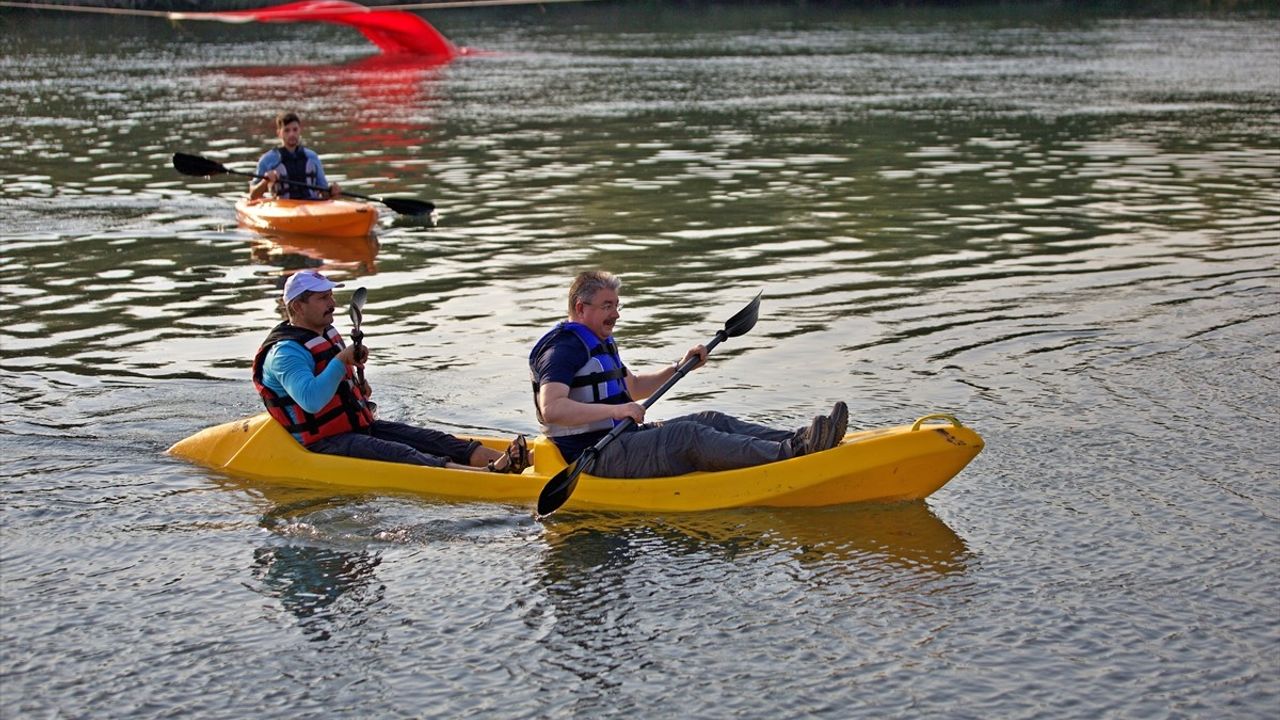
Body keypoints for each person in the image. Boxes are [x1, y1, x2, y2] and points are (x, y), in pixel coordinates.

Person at [528, 270, 848, 478]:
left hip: (622, 438)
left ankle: (801, 439)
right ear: (581, 309)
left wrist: (679, 367)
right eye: (607, 306)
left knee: (710, 420)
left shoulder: (599, 341)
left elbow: (634, 386)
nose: (616, 314)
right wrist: (618, 410)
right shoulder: (562, 350)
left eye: (616, 305)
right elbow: (552, 408)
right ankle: (792, 455)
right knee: (688, 437)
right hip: (593, 458)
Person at [252, 270, 530, 473]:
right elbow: (311, 400)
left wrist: (359, 387)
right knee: (402, 454)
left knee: (436, 440)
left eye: (331, 296)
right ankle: (489, 475)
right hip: (325, 443)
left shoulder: (325, 331)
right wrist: (342, 361)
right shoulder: (285, 353)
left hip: (358, 427)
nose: (332, 303)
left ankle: (524, 461)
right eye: (323, 298)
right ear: (297, 306)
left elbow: (339, 387)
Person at [248, 111, 341, 201]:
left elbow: (324, 193)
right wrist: (266, 181)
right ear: (279, 133)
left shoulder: (312, 157)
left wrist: (332, 191)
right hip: (283, 208)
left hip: (312, 204)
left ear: (300, 130)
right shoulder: (267, 160)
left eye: (295, 130)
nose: (292, 134)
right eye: (287, 130)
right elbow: (253, 195)